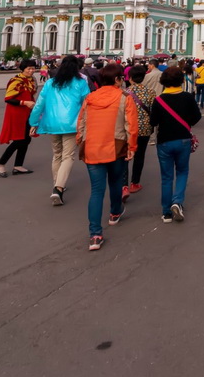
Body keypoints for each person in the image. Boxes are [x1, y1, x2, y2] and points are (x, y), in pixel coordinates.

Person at [75, 65, 136, 251]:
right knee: (116, 182)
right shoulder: (125, 98)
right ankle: (115, 213)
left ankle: (95, 234)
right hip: (116, 147)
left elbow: (81, 122)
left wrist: (81, 141)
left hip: (92, 147)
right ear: (118, 79)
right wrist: (132, 146)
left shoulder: (90, 98)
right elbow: (130, 126)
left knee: (96, 191)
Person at [28, 54, 90, 206]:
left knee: (57, 154)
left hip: (52, 123)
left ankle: (57, 184)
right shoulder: (81, 83)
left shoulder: (50, 83)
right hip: (71, 124)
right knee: (68, 156)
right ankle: (59, 188)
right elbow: (87, 104)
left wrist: (33, 122)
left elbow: (39, 104)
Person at [150, 65, 201, 224]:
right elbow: (197, 116)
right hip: (183, 139)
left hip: (164, 141)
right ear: (180, 80)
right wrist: (187, 123)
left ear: (164, 81)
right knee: (182, 171)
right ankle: (177, 201)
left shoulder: (158, 100)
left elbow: (153, 122)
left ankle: (166, 212)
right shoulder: (187, 97)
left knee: (166, 177)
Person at [0, 60, 38, 177]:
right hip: (16, 113)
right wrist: (24, 102)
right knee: (19, 140)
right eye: (29, 69)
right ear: (23, 69)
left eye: (33, 68)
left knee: (26, 139)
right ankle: (1, 163)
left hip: (27, 112)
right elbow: (8, 98)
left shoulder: (32, 80)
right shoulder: (15, 81)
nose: (31, 71)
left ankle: (18, 165)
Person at [123, 65, 156, 197]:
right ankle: (135, 182)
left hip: (128, 129)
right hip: (144, 129)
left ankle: (124, 185)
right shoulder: (150, 92)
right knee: (139, 155)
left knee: (125, 155)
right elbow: (153, 111)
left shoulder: (124, 92)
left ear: (130, 78)